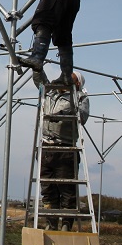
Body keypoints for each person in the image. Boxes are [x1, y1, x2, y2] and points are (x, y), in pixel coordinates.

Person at [34, 69, 89, 231]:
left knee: (67, 189)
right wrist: (36, 67)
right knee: (48, 188)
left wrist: (64, 113)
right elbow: (40, 81)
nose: (64, 78)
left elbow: (82, 116)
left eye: (70, 77)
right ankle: (51, 222)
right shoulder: (50, 93)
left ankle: (66, 223)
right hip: (46, 147)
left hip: (66, 148)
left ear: (77, 83)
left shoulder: (80, 97)